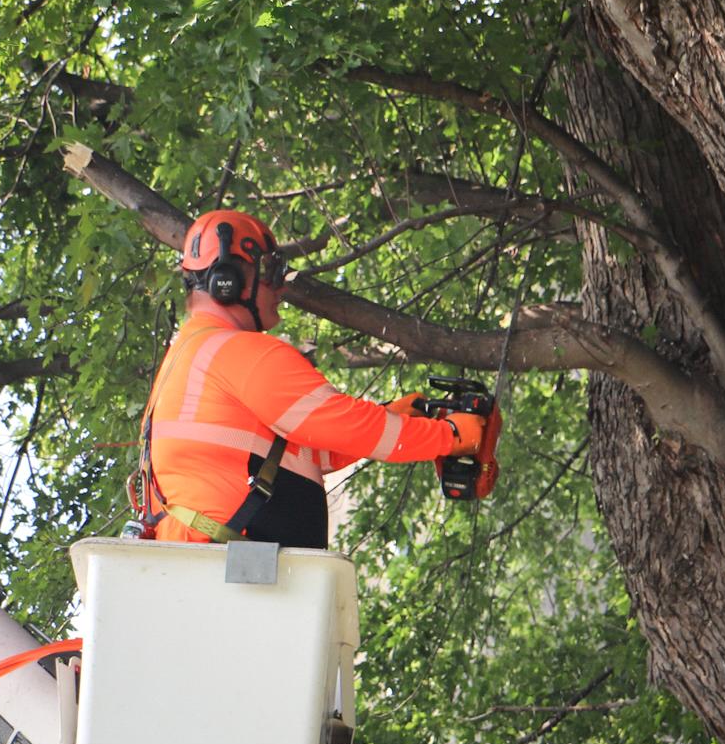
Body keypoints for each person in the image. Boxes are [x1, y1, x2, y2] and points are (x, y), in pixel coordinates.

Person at [132, 209, 485, 549]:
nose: (280, 289)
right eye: (270, 272)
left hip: (214, 566)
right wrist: (449, 436)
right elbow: (341, 424)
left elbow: (309, 449)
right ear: (228, 279)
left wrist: (394, 416)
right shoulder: (238, 352)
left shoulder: (192, 354)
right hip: (232, 569)